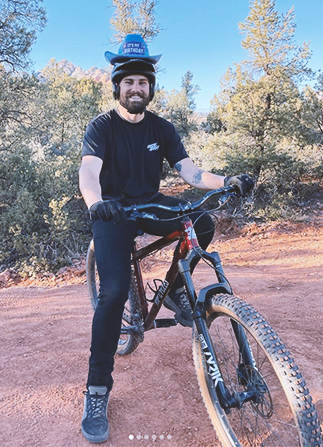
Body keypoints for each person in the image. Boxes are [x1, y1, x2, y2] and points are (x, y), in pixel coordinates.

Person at [78, 34, 253, 443]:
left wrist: (226, 180)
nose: (136, 88)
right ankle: (97, 389)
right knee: (114, 292)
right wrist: (96, 203)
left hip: (151, 202)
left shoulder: (162, 127)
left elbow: (191, 173)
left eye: (143, 82)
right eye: (129, 82)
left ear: (150, 88)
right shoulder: (101, 126)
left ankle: (175, 290)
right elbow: (89, 170)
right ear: (117, 86)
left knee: (202, 222)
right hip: (114, 212)